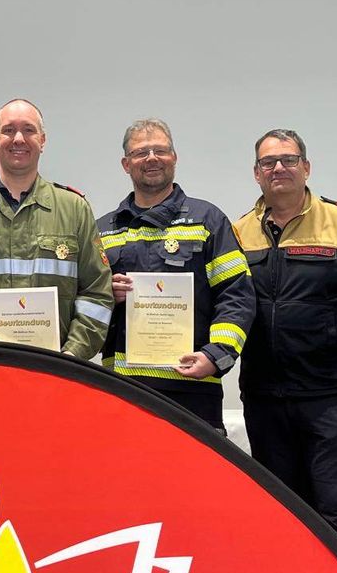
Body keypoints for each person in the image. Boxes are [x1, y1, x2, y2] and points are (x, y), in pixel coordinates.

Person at [232, 128, 337, 560]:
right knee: (280, 509)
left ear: (306, 168)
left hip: (331, 396)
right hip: (265, 396)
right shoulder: (239, 232)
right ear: (256, 174)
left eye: (289, 160)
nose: (278, 168)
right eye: (268, 162)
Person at [97, 119, 254, 432]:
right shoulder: (103, 229)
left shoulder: (208, 219)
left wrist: (216, 355)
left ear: (174, 157)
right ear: (126, 164)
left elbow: (236, 294)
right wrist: (105, 293)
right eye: (141, 153)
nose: (152, 158)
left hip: (192, 389)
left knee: (194, 481)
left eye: (161, 150)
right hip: (123, 390)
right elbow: (83, 302)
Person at [0, 98, 112, 358]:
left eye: (29, 130)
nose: (18, 138)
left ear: (42, 140)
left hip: (56, 369)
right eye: (8, 130)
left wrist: (72, 355)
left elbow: (97, 294)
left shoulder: (75, 209)